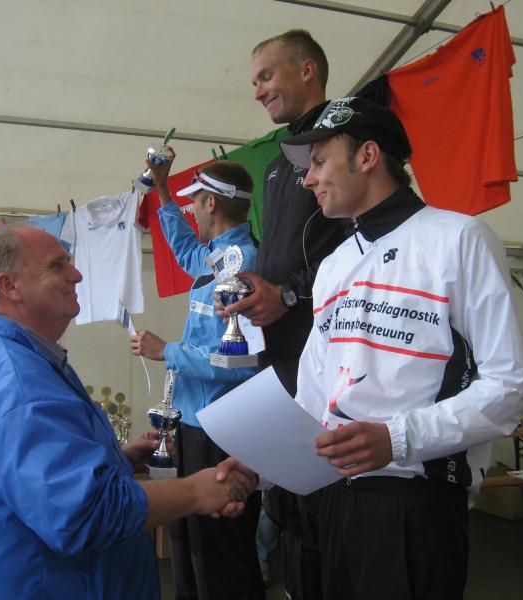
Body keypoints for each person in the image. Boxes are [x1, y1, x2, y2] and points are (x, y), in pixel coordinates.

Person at [276, 96, 523, 599]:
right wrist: (263, 463)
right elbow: (313, 392)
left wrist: (396, 438)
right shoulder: (332, 266)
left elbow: (509, 387)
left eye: (320, 161)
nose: (308, 180)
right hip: (329, 499)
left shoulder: (460, 238)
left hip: (415, 504)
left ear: (368, 156)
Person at [0, 226, 256, 599]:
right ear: (10, 286)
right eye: (57, 265)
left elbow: (28, 479)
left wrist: (117, 461)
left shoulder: (10, 360)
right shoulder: (16, 382)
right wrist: (196, 491)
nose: (77, 274)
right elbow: (85, 514)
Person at [219, 29, 348, 600]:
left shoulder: (346, 145)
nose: (257, 91)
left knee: (326, 511)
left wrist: (289, 295)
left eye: (266, 76)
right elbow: (280, 257)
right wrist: (253, 292)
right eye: (254, 81)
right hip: (281, 360)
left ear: (308, 70)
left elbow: (357, 252)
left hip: (332, 360)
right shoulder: (276, 165)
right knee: (291, 510)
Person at [130, 154, 265, 599]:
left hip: (221, 430)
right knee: (189, 549)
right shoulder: (221, 258)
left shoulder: (245, 267)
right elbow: (186, 251)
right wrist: (163, 191)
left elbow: (240, 363)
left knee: (220, 557)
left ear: (210, 204)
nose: (192, 212)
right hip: (195, 425)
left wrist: (166, 351)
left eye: (194, 203)